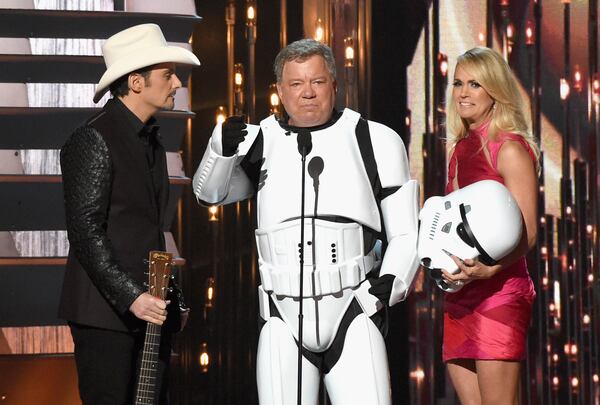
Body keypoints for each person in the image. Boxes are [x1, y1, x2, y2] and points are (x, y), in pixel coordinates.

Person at [192, 38, 420, 405]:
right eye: (296, 84)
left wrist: (392, 283)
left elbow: (407, 230)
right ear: (280, 91)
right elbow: (210, 195)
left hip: (353, 309)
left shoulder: (375, 140)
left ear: (334, 83)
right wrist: (220, 150)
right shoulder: (261, 141)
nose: (307, 93)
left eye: (316, 81)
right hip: (282, 313)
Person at [59, 23, 199, 404]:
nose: (176, 84)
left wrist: (169, 297)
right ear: (136, 82)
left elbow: (148, 232)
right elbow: (86, 232)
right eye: (167, 75)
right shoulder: (94, 138)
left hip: (147, 309)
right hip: (104, 315)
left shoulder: (149, 139)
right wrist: (131, 296)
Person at [440, 46, 539, 404]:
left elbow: (529, 231)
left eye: (475, 84)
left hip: (500, 292)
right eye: (458, 84)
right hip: (461, 293)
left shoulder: (508, 148)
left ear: (494, 91)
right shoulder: (459, 149)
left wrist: (490, 268)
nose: (463, 93)